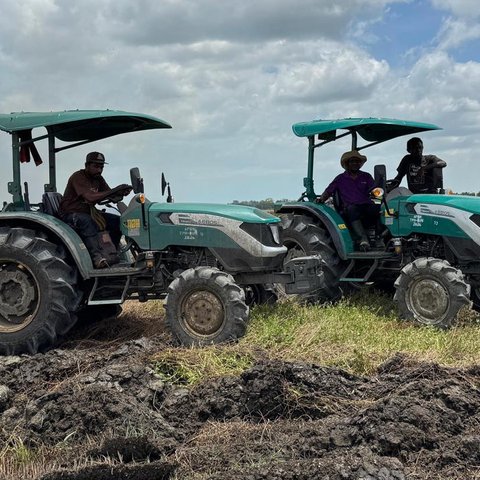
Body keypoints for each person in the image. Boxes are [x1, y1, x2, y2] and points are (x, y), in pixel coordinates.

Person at [59, 151, 132, 268]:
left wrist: (120, 192)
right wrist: (114, 190)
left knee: (117, 221)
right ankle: (97, 258)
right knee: (87, 221)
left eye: (101, 167)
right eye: (96, 166)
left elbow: (109, 194)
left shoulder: (98, 179)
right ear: (87, 165)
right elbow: (89, 197)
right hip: (71, 214)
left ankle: (112, 253)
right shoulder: (78, 177)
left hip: (88, 213)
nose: (99, 170)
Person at [315, 150, 382, 251]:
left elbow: (375, 190)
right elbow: (328, 191)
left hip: (365, 205)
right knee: (352, 209)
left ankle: (379, 238)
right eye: (352, 161)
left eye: (357, 161)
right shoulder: (340, 179)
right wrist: (321, 199)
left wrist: (380, 194)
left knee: (381, 208)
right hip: (350, 208)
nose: (355, 163)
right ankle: (363, 239)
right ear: (347, 164)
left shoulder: (366, 176)